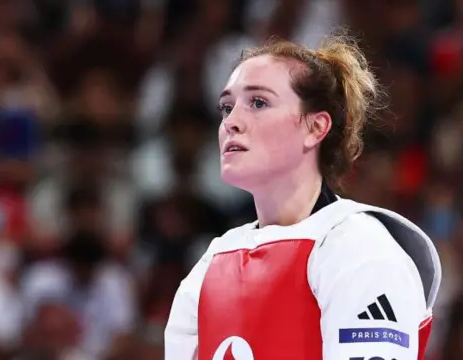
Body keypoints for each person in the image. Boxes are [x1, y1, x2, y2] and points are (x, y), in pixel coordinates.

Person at [164, 34, 442, 360]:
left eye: (258, 102)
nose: (231, 122)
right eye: (227, 107)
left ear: (315, 127)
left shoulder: (360, 250)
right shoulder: (213, 263)